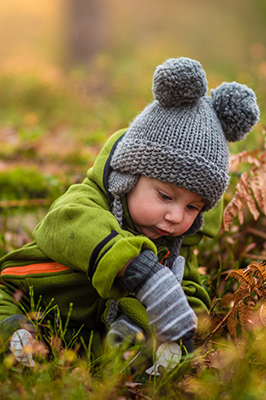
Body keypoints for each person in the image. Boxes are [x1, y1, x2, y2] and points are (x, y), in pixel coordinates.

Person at [0, 57, 259, 367]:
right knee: (5, 313)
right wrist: (140, 270)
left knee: (137, 343)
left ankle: (119, 356)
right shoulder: (87, 201)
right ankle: (16, 339)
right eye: (165, 196)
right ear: (129, 177)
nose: (176, 216)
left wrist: (182, 323)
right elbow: (66, 224)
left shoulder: (177, 241)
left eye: (193, 207)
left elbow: (188, 286)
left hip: (87, 330)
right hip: (27, 294)